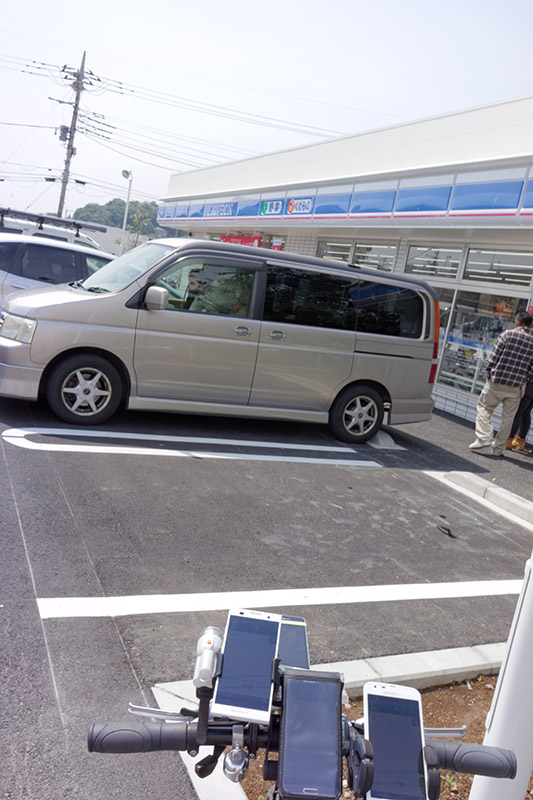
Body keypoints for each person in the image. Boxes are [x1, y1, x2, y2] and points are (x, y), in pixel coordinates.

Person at [469, 310, 533, 457]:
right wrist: (524, 379)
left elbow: (494, 357)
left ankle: (484, 437)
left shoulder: (507, 334)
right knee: (508, 418)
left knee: (484, 407)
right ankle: (498, 450)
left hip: (497, 381)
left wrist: (489, 374)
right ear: (530, 325)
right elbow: (531, 368)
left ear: (516, 322)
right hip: (516, 386)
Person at [507, 377, 533, 452]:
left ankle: (508, 439)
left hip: (529, 388)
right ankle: (520, 441)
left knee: (517, 413)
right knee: (526, 413)